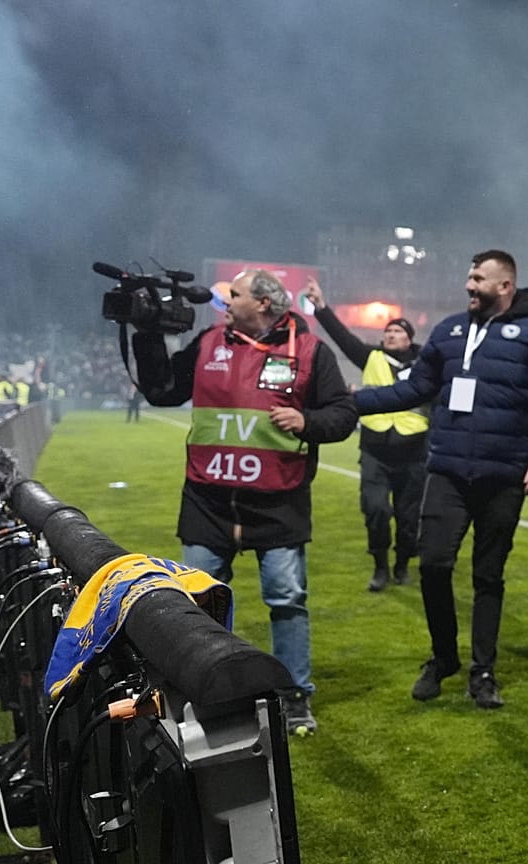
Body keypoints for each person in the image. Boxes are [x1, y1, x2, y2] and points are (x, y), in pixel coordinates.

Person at [131, 268, 358, 736]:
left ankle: (295, 696)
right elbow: (162, 391)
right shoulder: (210, 341)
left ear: (264, 304)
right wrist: (147, 334)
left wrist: (307, 420)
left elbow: (343, 415)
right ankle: (206, 690)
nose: (224, 301)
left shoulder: (312, 351)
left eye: (234, 294)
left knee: (286, 600)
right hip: (207, 501)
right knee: (196, 602)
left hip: (278, 504)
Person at [352, 250, 528, 710]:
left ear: (504, 286)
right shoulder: (447, 331)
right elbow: (414, 389)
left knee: (488, 576)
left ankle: (482, 671)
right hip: (446, 469)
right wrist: (353, 404)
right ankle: (443, 656)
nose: (469, 285)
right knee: (434, 564)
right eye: (468, 276)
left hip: (504, 476)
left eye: (478, 278)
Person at [303, 277, 428, 592]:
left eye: (397, 331)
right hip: (376, 450)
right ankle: (380, 567)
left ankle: (402, 565)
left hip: (415, 452)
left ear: (409, 338)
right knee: (375, 510)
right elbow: (342, 337)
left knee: (409, 517)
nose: (389, 335)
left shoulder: (427, 363)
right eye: (386, 332)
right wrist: (321, 306)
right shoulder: (370, 356)